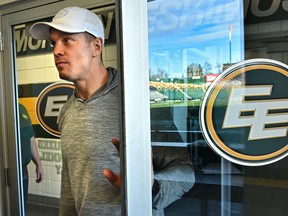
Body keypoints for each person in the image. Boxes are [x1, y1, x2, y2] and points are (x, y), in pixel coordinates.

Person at [30, 6, 194, 216]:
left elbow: (185, 172)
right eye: (53, 43)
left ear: (96, 46)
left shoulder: (137, 102)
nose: (56, 51)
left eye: (67, 40)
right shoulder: (67, 111)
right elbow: (70, 184)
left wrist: (147, 188)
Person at [19, 103, 44, 210]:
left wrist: (38, 165)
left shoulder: (21, 108)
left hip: (22, 170)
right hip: (5, 171)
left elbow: (30, 137)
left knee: (21, 206)